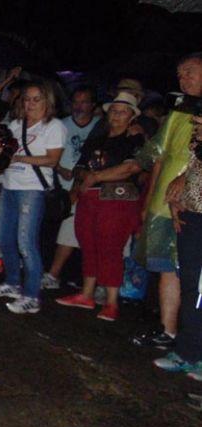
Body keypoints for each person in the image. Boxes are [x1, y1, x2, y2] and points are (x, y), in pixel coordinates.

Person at [131, 53, 202, 349]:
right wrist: (151, 199)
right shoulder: (179, 110)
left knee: (190, 275)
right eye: (179, 74)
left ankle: (189, 341)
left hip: (192, 201)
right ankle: (169, 330)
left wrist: (183, 180)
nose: (183, 78)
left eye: (190, 72)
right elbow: (158, 156)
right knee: (166, 267)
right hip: (168, 200)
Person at [55, 92, 145, 321]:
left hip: (117, 201)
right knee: (88, 243)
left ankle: (112, 301)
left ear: (131, 117)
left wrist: (95, 177)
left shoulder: (134, 139)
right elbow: (78, 167)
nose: (116, 115)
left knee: (110, 247)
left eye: (122, 112)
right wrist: (85, 179)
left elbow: (131, 168)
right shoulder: (98, 138)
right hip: (90, 198)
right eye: (114, 111)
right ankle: (87, 293)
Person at [0, 81, 66, 314]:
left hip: (33, 188)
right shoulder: (16, 124)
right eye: (27, 99)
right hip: (10, 184)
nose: (30, 104)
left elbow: (52, 159)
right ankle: (12, 282)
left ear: (47, 102)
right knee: (3, 238)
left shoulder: (53, 126)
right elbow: (3, 149)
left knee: (26, 243)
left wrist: (19, 159)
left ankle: (32, 295)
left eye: (36, 99)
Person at [154, 114, 202, 378]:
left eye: (200, 124)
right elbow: (190, 179)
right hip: (192, 219)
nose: (196, 129)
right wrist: (175, 201)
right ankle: (188, 353)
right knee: (190, 286)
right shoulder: (197, 149)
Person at [42, 86, 99, 290]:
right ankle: (52, 274)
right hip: (60, 187)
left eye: (84, 102)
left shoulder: (101, 126)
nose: (79, 106)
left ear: (93, 105)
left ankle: (77, 277)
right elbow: (46, 150)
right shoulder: (61, 125)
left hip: (86, 187)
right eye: (76, 101)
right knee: (56, 233)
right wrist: (59, 168)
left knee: (84, 234)